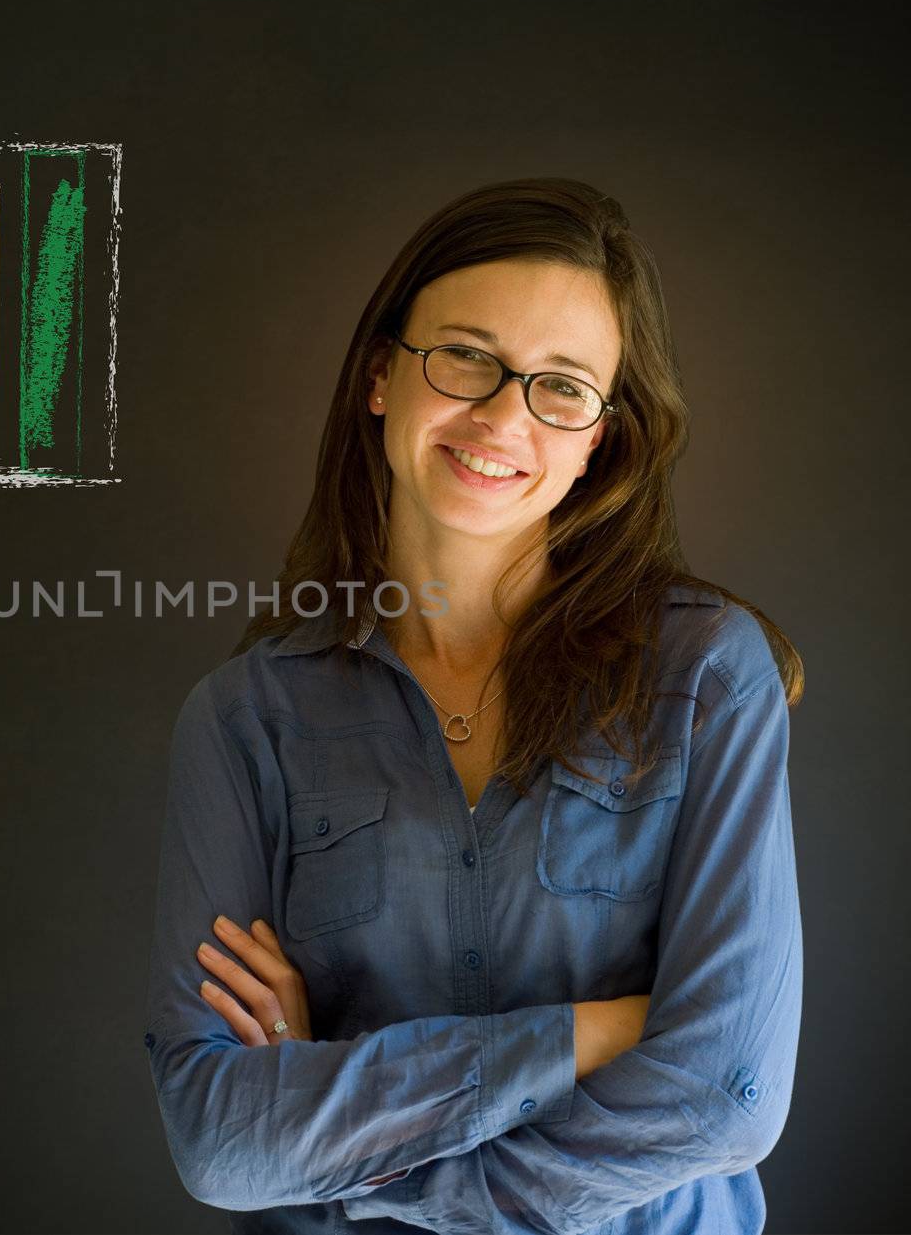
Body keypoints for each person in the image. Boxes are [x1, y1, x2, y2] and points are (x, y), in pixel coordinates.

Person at [142, 177, 805, 1234]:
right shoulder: (245, 717)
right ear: (378, 376)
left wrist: (356, 1152)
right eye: (465, 357)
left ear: (600, 436)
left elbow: (724, 1099)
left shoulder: (706, 675)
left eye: (562, 386)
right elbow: (223, 1143)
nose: (503, 414)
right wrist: (587, 1035)